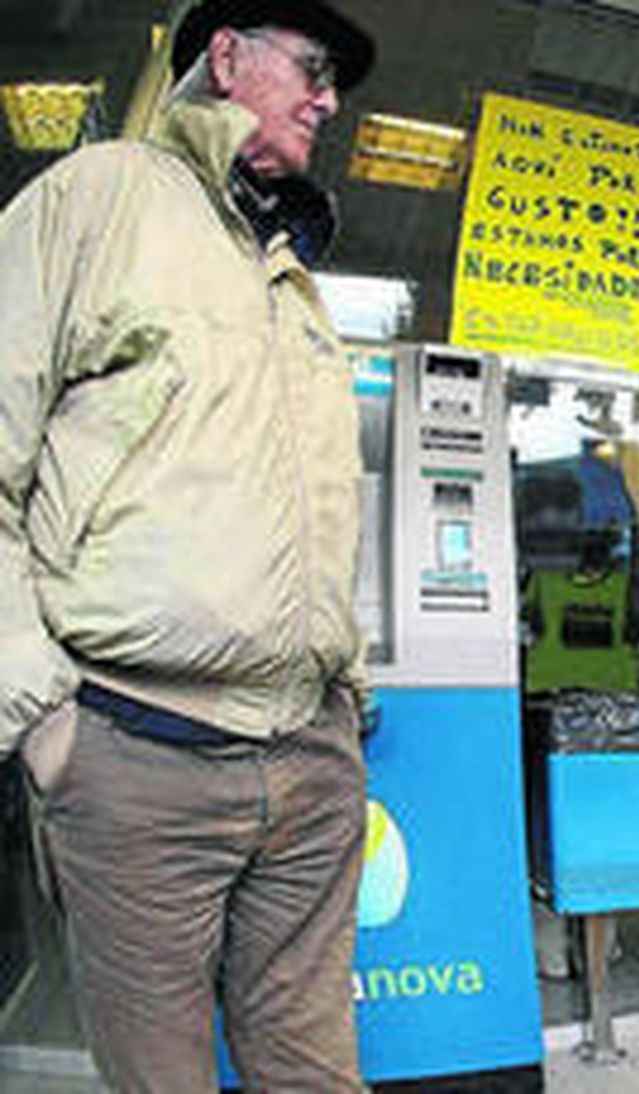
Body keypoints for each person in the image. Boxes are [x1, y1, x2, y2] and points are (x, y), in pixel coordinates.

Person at [0, 0, 376, 1087]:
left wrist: (345, 692)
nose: (328, 98)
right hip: (134, 755)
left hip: (309, 760)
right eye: (311, 67)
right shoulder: (101, 197)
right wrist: (43, 716)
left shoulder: (288, 270)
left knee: (313, 1068)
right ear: (227, 55)